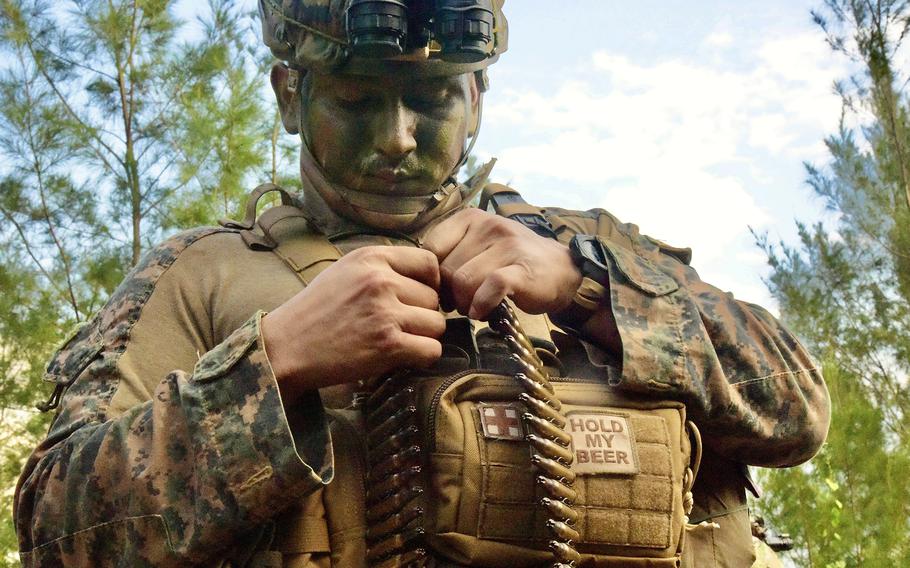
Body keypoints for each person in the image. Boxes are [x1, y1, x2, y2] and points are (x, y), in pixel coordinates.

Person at [14, 1, 830, 566]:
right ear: (289, 96)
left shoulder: (590, 251)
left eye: (433, 97)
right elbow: (58, 533)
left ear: (478, 100)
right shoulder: (197, 276)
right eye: (358, 99)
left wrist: (590, 290)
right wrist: (277, 362)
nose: (398, 137)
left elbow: (797, 407)